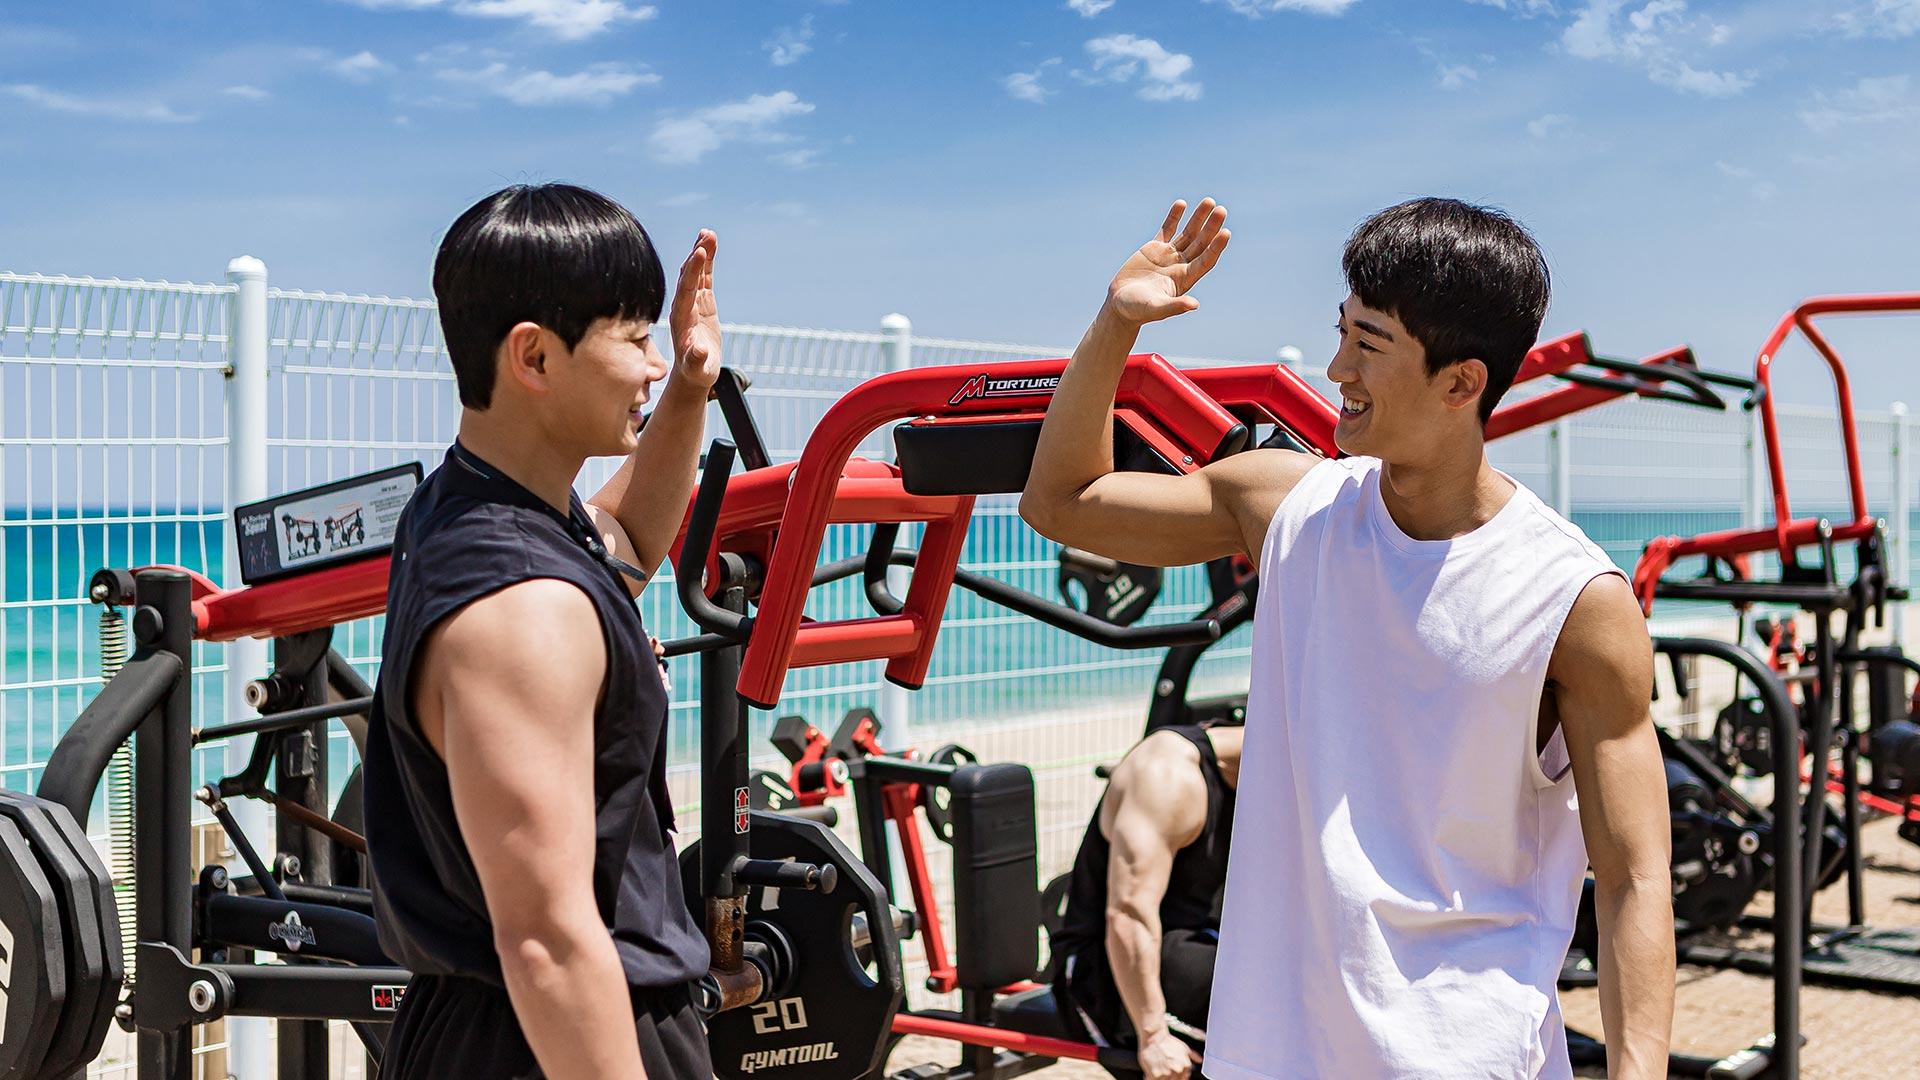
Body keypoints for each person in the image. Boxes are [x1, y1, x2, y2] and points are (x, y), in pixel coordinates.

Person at [1020, 197, 1674, 1080]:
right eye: (1342, 333)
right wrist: (1116, 323)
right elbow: (1059, 503)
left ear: (1461, 382)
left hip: (1466, 1055)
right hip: (1269, 1053)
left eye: (1368, 345)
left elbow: (1636, 880)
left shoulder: (1576, 598)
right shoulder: (1284, 506)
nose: (1336, 368)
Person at [363, 183, 723, 1078]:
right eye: (634, 337)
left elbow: (629, 540)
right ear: (534, 356)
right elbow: (549, 943)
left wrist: (685, 388)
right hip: (551, 1040)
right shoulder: (521, 609)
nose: (649, 362)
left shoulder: (475, 508)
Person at [1049, 720, 1241, 1078]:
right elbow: (1128, 914)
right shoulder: (1167, 777)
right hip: (1107, 968)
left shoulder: (1263, 777)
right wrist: (1153, 1037)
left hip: (1193, 943)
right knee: (1263, 1009)